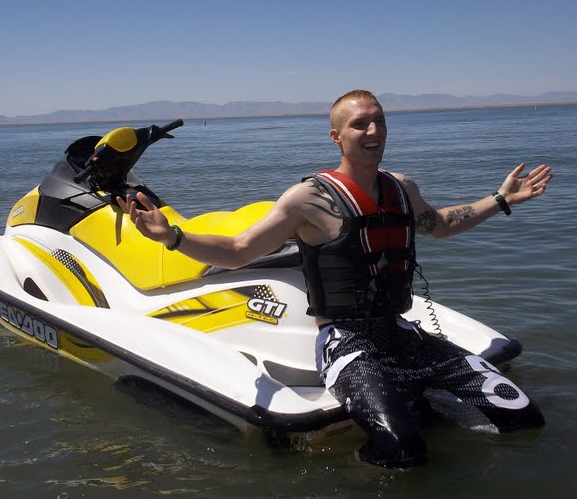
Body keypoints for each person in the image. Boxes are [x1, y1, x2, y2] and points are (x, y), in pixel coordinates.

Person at [117, 89, 552, 468]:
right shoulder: (308, 199)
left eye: (379, 121)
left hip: (401, 333)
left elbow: (440, 224)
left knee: (521, 414)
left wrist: (501, 199)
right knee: (403, 450)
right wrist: (171, 236)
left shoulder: (401, 187)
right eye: (359, 124)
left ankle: (427, 412)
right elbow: (238, 251)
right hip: (347, 343)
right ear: (337, 137)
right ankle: (360, 472)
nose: (372, 131)